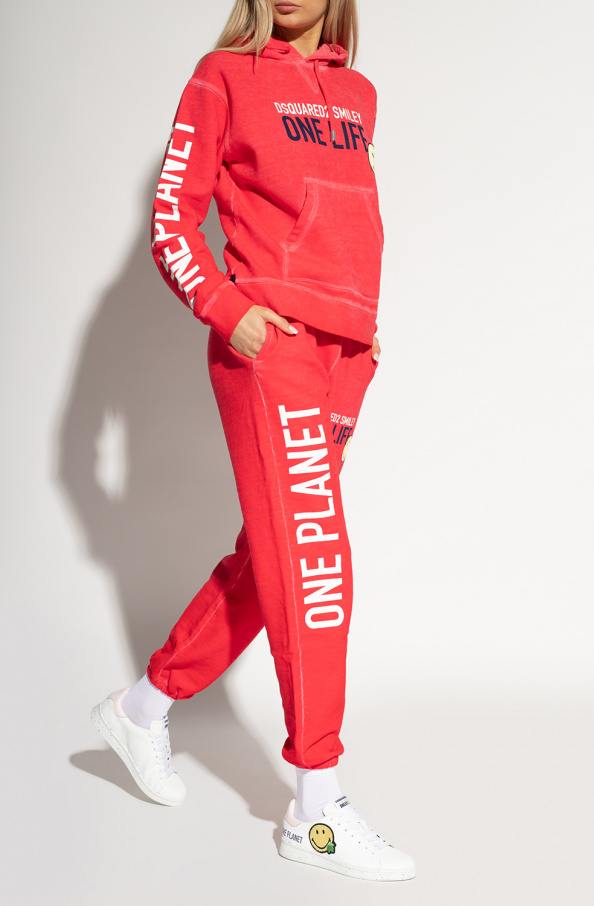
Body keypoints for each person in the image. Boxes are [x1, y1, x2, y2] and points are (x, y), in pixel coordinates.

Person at [91, 0, 415, 882]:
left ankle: (140, 708)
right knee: (316, 562)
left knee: (273, 556)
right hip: (273, 345)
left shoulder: (358, 95)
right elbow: (171, 218)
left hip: (345, 355)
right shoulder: (223, 76)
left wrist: (361, 329)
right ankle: (315, 808)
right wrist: (229, 311)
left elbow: (347, 222)